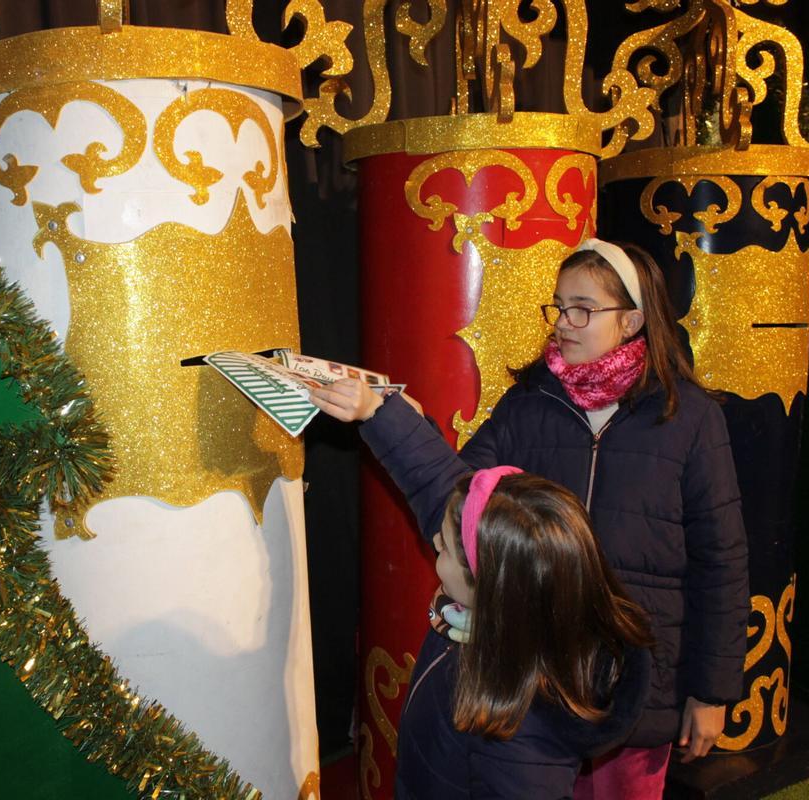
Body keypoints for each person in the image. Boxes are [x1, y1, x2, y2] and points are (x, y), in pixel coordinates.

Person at [310, 239, 749, 798]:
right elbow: (462, 507)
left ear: (633, 320)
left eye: (582, 309)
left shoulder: (690, 419)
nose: (563, 323)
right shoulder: (527, 404)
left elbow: (723, 562)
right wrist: (397, 418)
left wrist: (709, 692)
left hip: (632, 688)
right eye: (558, 305)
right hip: (531, 680)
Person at [394, 466, 653, 799]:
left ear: (488, 586)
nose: (434, 541)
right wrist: (382, 414)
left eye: (444, 546)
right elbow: (437, 490)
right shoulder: (506, 626)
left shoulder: (516, 736)